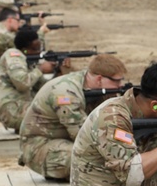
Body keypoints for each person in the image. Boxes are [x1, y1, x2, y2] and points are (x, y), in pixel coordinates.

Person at [19, 51, 126, 179]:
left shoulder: (90, 86)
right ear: (99, 79)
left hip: (62, 142)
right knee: (97, 162)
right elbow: (84, 136)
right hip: (39, 148)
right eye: (117, 81)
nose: (120, 86)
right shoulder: (66, 93)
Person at [0, 25, 55, 132]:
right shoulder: (14, 55)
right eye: (35, 49)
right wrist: (40, 69)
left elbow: (44, 88)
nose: (39, 52)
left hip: (21, 107)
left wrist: (59, 72)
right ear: (25, 50)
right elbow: (22, 84)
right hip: (12, 110)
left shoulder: (28, 62)